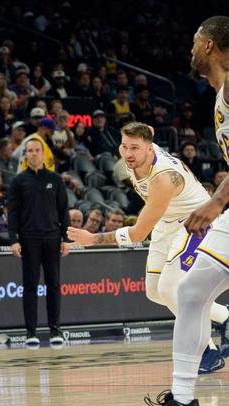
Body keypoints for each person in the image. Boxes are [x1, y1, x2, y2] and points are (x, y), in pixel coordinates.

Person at [125, 16, 229, 406]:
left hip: (222, 204)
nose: (190, 48)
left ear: (209, 45)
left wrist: (216, 201)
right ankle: (183, 405)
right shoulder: (220, 96)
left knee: (186, 290)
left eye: (194, 41)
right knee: (188, 290)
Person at [67, 122, 229, 376]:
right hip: (167, 221)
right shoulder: (134, 157)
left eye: (135, 148)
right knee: (154, 291)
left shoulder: (163, 177)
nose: (128, 153)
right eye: (124, 146)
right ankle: (225, 317)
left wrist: (92, 239)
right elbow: (148, 130)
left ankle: (207, 350)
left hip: (194, 220)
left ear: (150, 148)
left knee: (170, 288)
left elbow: (138, 234)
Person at [7, 139, 70, 347]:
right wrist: (14, 240)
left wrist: (66, 238)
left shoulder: (55, 179)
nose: (33, 154)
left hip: (52, 238)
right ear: (25, 155)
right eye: (29, 151)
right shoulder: (18, 181)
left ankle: (55, 329)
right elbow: (12, 213)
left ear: (43, 154)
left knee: (54, 284)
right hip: (29, 239)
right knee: (30, 286)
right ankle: (31, 332)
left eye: (36, 150)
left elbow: (63, 210)